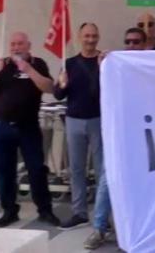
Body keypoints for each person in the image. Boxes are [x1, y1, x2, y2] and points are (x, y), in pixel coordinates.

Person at [0, 31, 60, 228]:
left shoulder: (38, 63)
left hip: (28, 127)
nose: (16, 48)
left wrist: (29, 70)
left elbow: (49, 88)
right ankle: (9, 210)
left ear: (28, 45)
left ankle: (45, 209)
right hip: (2, 127)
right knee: (5, 171)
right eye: (13, 44)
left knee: (36, 170)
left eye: (20, 44)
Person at [83, 27, 147, 250]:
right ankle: (100, 227)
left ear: (145, 45)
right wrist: (104, 68)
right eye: (127, 42)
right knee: (108, 180)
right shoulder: (117, 68)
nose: (131, 46)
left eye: (136, 42)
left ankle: (137, 229)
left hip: (147, 138)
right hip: (120, 135)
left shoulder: (152, 69)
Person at [54, 23, 102, 230]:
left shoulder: (105, 61)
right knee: (76, 169)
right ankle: (79, 213)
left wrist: (104, 68)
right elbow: (58, 95)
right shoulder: (69, 64)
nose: (90, 40)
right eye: (87, 36)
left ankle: (102, 215)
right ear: (79, 37)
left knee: (102, 171)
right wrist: (62, 84)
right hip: (74, 121)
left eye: (94, 36)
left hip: (99, 120)